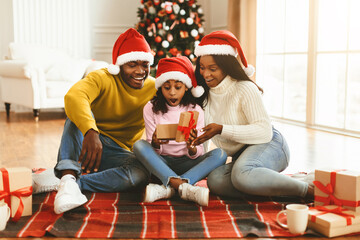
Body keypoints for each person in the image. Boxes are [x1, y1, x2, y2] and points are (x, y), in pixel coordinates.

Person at [33, 28, 157, 214]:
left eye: (145, 64)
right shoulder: (102, 77)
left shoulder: (154, 87)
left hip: (120, 153)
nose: (140, 71)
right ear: (119, 65)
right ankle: (67, 175)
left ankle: (71, 183)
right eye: (132, 64)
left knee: (141, 172)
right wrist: (91, 131)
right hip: (88, 143)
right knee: (75, 118)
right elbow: (74, 97)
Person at [191, 30, 314, 199]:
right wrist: (193, 148)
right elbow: (203, 139)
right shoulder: (203, 94)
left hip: (270, 145)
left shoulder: (243, 88)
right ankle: (278, 187)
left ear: (226, 66)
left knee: (241, 175)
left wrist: (222, 129)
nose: (205, 74)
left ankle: (307, 190)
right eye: (202, 68)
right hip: (243, 156)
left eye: (212, 68)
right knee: (216, 180)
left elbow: (264, 131)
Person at [133, 56, 227, 206]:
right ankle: (183, 187)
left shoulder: (195, 109)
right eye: (167, 87)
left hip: (188, 163)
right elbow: (153, 153)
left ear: (186, 87)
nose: (172, 93)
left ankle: (170, 187)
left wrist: (192, 147)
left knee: (220, 154)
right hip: (162, 163)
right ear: (160, 87)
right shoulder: (150, 108)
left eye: (177, 87)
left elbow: (198, 153)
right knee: (139, 145)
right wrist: (156, 144)